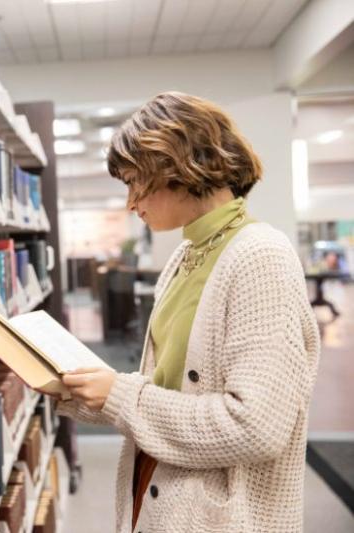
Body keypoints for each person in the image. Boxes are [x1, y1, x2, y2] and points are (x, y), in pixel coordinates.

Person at [57, 92, 320, 533]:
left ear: (176, 168)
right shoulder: (185, 256)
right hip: (159, 485)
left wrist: (119, 395)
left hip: (220, 517)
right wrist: (82, 392)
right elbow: (167, 390)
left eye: (133, 182)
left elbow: (255, 427)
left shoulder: (260, 256)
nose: (130, 204)